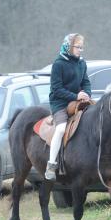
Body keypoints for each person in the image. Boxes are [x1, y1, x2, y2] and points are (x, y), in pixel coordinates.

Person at [45, 33, 91, 181]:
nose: (80, 50)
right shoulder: (58, 64)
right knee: (60, 129)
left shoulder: (82, 63)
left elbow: (86, 82)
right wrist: (75, 96)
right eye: (78, 47)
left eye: (81, 47)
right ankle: (51, 165)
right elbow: (56, 89)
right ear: (68, 46)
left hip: (78, 100)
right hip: (60, 103)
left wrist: (86, 93)